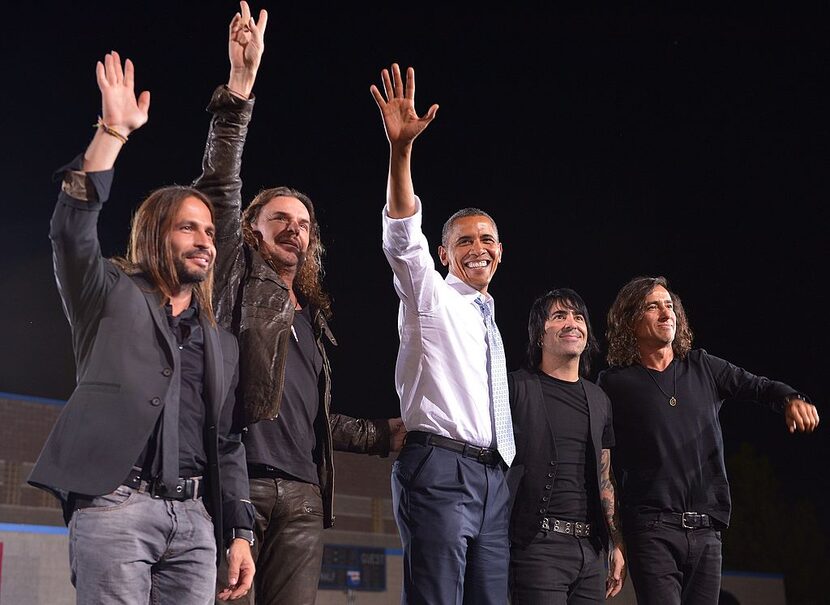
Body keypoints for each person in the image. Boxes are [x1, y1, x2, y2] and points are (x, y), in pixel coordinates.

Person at [191, 4, 406, 603]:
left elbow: (311, 419)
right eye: (279, 218)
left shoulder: (312, 320)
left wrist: (384, 434)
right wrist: (240, 88)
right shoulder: (235, 275)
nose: (295, 229)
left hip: (306, 500)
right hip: (238, 489)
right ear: (251, 231)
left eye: (304, 223)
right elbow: (220, 182)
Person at [27, 51, 255, 603]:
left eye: (209, 232)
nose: (206, 240)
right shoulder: (106, 292)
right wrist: (112, 133)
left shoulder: (217, 338)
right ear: (156, 234)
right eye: (188, 228)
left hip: (196, 523)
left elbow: (226, 441)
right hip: (113, 505)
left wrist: (240, 531)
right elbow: (70, 230)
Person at [371, 62, 516, 604]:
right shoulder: (429, 295)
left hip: (493, 478)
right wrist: (401, 151)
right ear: (444, 252)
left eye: (489, 238)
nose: (480, 246)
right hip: (440, 469)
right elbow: (401, 239)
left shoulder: (489, 317)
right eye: (465, 239)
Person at [597, 275, 820, 605]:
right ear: (631, 320)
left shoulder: (703, 367)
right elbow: (605, 466)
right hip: (651, 529)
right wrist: (616, 540)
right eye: (653, 306)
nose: (666, 313)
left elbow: (759, 386)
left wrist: (791, 399)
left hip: (707, 530)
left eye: (670, 306)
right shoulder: (614, 383)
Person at [508, 288, 626, 603]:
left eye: (578, 316)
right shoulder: (515, 388)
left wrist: (615, 543)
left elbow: (605, 477)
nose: (572, 323)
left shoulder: (599, 399)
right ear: (538, 334)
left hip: (591, 551)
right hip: (537, 547)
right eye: (559, 316)